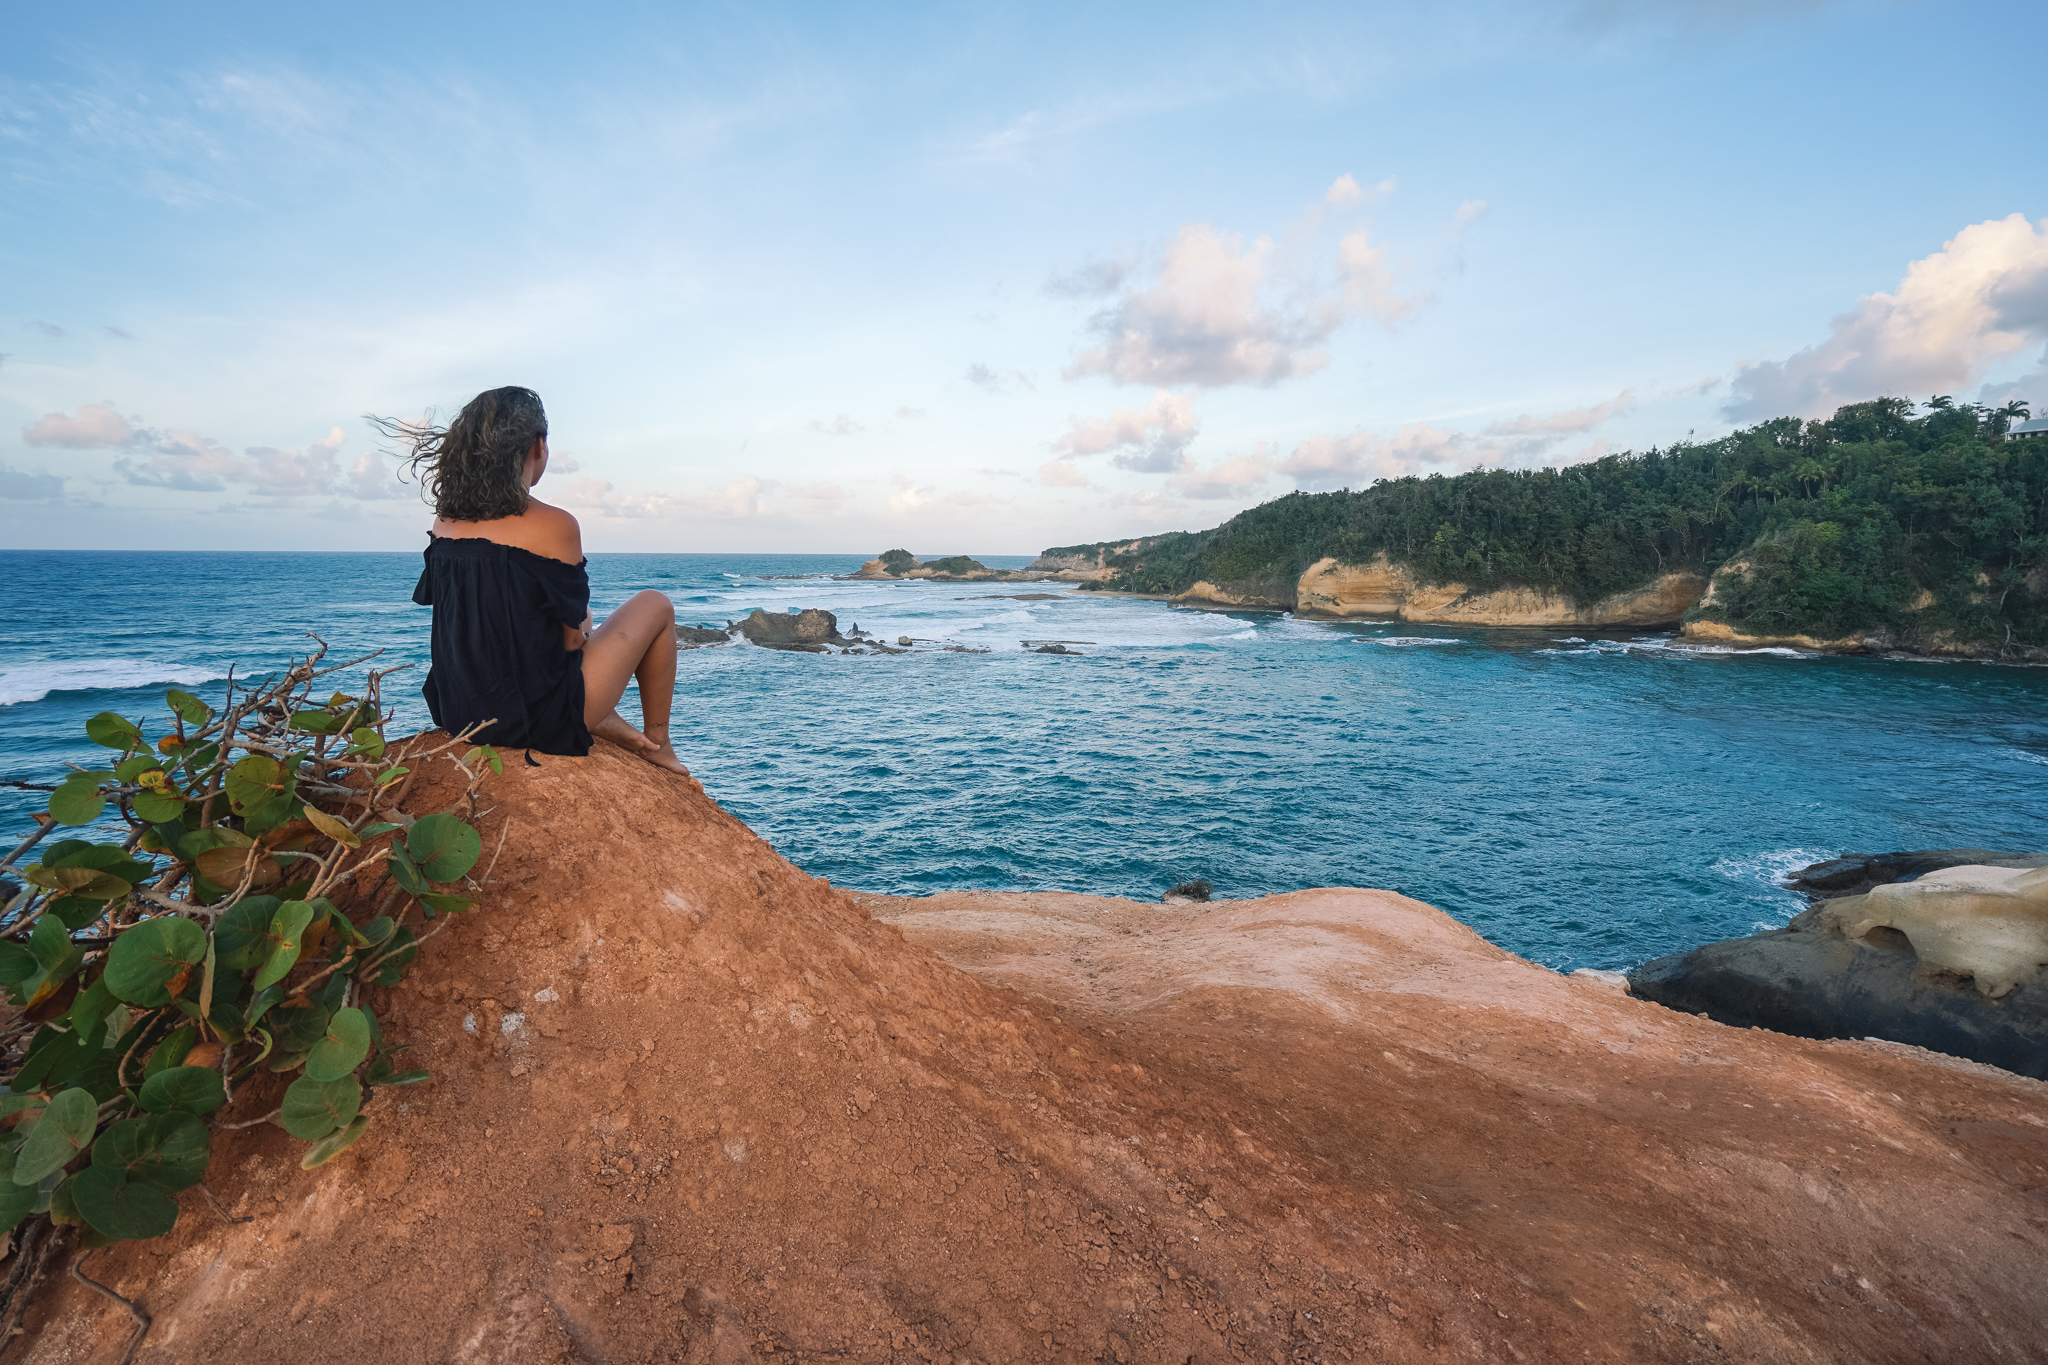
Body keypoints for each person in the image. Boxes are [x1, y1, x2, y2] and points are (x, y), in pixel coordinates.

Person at [376, 386, 690, 774]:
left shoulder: (444, 523)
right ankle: (658, 742)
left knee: (568, 627)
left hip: (459, 711)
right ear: (538, 445)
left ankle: (605, 720)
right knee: (654, 603)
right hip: (537, 719)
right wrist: (584, 622)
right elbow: (571, 640)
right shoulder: (555, 525)